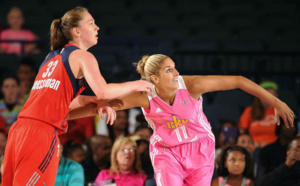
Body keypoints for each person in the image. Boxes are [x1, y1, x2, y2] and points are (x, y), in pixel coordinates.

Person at [2, 6, 152, 185]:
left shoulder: (51, 57)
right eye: (91, 23)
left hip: (19, 130)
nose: (97, 27)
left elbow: (63, 101)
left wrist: (95, 100)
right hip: (40, 134)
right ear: (77, 31)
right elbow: (103, 90)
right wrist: (138, 84)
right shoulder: (83, 56)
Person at [101, 54, 294, 185]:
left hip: (200, 148)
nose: (176, 73)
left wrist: (276, 102)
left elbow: (238, 80)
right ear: (155, 79)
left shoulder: (191, 85)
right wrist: (69, 110)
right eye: (169, 70)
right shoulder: (144, 96)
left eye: (174, 68)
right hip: (167, 150)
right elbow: (98, 103)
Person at [238, 80, 280, 148]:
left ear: (276, 95)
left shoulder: (281, 111)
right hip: (253, 147)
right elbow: (242, 132)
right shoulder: (250, 111)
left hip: (275, 148)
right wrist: (250, 143)